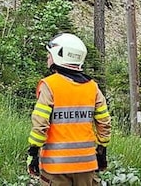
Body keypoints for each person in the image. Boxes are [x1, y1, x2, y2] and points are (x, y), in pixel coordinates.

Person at [26, 32, 111, 186]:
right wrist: (102, 149)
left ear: (60, 55)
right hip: (86, 165)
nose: (48, 58)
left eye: (49, 54)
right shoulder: (93, 87)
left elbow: (40, 124)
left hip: (56, 167)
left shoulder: (49, 85)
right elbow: (104, 121)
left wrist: (33, 152)